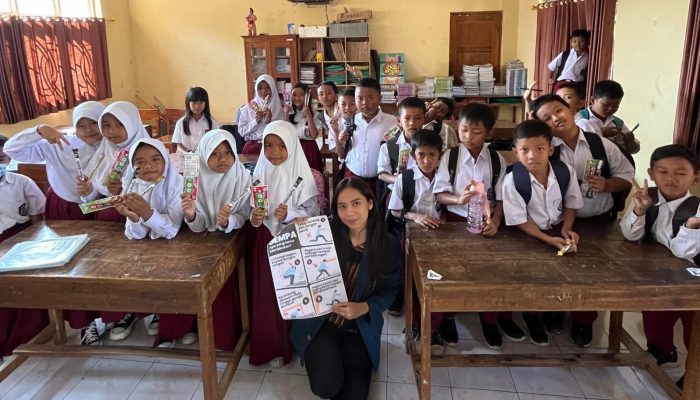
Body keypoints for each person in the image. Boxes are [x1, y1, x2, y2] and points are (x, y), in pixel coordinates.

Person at [531, 94, 635, 346]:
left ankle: (583, 320)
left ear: (571, 108)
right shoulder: (547, 148)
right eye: (547, 118)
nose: (555, 119)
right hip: (557, 220)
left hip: (596, 220)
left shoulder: (600, 145)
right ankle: (553, 311)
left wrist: (609, 184)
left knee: (592, 274)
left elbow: (626, 175)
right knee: (554, 269)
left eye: (558, 111)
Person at [290, 177, 400, 400]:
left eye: (356, 203)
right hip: (323, 321)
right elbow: (296, 265)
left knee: (354, 394)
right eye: (342, 206)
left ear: (370, 203)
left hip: (358, 327)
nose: (349, 212)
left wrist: (364, 307)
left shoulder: (387, 244)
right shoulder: (324, 233)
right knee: (326, 386)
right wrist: (298, 236)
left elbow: (390, 290)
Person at [433, 103, 522, 349]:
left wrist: (495, 220)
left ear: (489, 133)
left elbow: (502, 196)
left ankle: (490, 319)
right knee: (454, 273)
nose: (468, 137)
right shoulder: (450, 157)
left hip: (486, 224)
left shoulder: (495, 160)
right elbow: (440, 194)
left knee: (490, 273)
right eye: (463, 130)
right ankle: (449, 317)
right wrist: (458, 199)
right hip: (456, 222)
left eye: (475, 131)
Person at [155, 129, 252, 348]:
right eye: (215, 153)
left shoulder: (243, 177)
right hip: (196, 242)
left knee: (223, 288)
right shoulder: (192, 180)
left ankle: (223, 335)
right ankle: (185, 327)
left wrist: (228, 221)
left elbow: (244, 214)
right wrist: (191, 215)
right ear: (204, 154)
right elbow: (194, 224)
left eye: (228, 152)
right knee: (186, 279)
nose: (223, 159)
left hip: (229, 241)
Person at [620, 144, 700, 390]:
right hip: (663, 274)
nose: (670, 179)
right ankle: (662, 351)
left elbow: (683, 251)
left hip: (693, 278)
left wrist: (691, 227)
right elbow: (630, 234)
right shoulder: (649, 198)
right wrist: (639, 209)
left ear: (695, 176)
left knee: (694, 326)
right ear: (651, 173)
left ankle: (694, 375)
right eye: (662, 172)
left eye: (680, 173)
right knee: (655, 315)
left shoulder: (696, 209)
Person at [502, 120, 584, 346]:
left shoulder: (564, 172)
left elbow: (571, 203)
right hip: (527, 236)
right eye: (524, 150)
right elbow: (519, 220)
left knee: (560, 273)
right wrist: (547, 239)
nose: (532, 156)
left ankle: (554, 311)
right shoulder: (513, 180)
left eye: (539, 149)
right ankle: (532, 315)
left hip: (557, 231)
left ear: (550, 149)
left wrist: (567, 228)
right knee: (530, 277)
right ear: (515, 153)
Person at [247, 120, 319, 367]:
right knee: (267, 295)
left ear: (292, 146)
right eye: (268, 145)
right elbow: (253, 209)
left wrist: (289, 214)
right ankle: (270, 344)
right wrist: (255, 218)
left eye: (281, 145)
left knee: (291, 294)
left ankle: (292, 344)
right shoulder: (259, 172)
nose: (274, 152)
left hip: (292, 243)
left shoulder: (302, 174)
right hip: (265, 240)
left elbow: (313, 212)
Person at [4, 101, 104, 220]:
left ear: (104, 122)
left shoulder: (114, 147)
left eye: (94, 122)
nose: (88, 130)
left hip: (103, 205)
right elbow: (11, 149)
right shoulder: (58, 144)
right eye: (81, 125)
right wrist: (39, 131)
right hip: (64, 204)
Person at [0, 134, 49, 357]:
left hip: (21, 238)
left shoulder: (21, 182)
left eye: (2, 157)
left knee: (22, 286)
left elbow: (37, 217)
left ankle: (25, 336)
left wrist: (35, 246)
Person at [79, 101, 150, 222]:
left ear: (132, 124)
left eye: (120, 124)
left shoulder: (150, 155)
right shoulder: (103, 153)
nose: (112, 131)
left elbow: (157, 194)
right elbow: (94, 194)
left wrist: (122, 192)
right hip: (104, 219)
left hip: (135, 219)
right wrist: (88, 191)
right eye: (106, 125)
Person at [335, 78, 395, 192]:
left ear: (380, 99)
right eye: (360, 98)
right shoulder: (349, 120)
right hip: (352, 176)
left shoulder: (391, 123)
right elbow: (342, 154)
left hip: (379, 182)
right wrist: (339, 138)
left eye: (370, 98)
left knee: (377, 209)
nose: (364, 103)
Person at [575, 80, 640, 154]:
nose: (610, 109)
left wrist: (630, 141)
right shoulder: (578, 118)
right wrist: (601, 132)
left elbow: (634, 150)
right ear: (593, 100)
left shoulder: (618, 123)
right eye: (606, 105)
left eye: (615, 106)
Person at [238, 74, 284, 155]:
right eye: (260, 88)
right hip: (253, 148)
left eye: (268, 88)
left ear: (273, 89)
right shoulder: (247, 109)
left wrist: (270, 121)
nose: (264, 91)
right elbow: (242, 132)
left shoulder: (280, 108)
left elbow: (283, 131)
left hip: (274, 148)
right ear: (256, 89)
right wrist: (255, 122)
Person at [285, 83, 323, 171]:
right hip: (293, 148)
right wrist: (286, 115)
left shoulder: (315, 114)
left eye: (301, 95)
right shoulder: (288, 113)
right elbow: (286, 134)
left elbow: (314, 135)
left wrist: (309, 115)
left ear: (307, 97)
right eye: (294, 95)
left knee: (312, 177)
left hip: (309, 149)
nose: (297, 98)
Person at [172, 86, 218, 153]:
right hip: (188, 157)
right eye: (194, 102)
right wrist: (188, 152)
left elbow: (217, 142)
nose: (197, 106)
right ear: (188, 103)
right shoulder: (181, 123)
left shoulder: (212, 122)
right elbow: (178, 144)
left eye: (201, 102)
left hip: (206, 157)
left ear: (206, 103)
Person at [315, 81, 339, 151]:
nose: (324, 97)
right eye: (321, 94)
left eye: (329, 93)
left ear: (336, 95)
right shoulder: (321, 116)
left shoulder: (343, 109)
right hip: (338, 148)